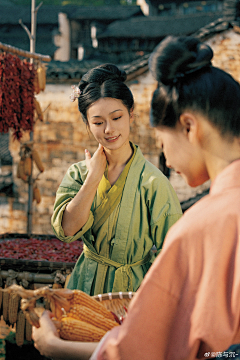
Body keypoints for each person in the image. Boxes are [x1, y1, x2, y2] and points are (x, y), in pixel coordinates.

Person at [33, 36, 240, 360]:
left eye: (161, 140)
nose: (167, 159)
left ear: (189, 127)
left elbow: (156, 346)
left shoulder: (201, 222)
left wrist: (56, 347)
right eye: (98, 122)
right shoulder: (220, 214)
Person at [51, 63, 182, 296]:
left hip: (132, 293)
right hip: (83, 288)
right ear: (88, 124)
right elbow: (67, 229)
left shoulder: (154, 183)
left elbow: (175, 255)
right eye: (98, 122)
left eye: (117, 117)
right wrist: (93, 178)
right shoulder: (78, 174)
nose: (109, 130)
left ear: (131, 114)